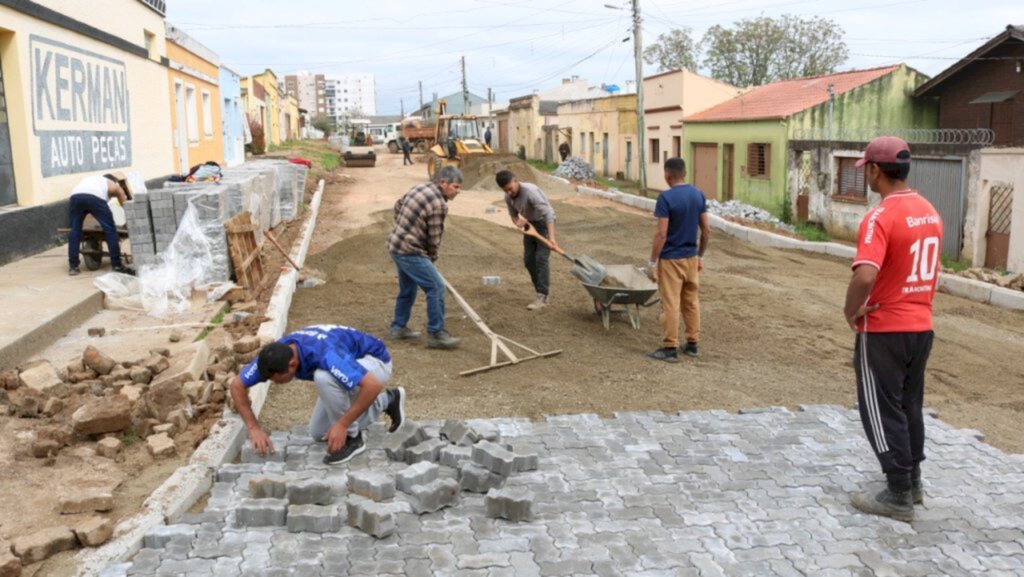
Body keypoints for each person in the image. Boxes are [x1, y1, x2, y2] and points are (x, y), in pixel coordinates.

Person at [844, 136, 942, 522]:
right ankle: (913, 481)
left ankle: (897, 492)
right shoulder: (929, 211)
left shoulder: (880, 216)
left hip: (885, 329)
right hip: (921, 326)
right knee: (909, 404)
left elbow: (865, 274)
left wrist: (850, 311)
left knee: (880, 409)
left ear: (874, 170)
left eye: (865, 168)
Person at [229, 324, 406, 465]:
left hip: (375, 362)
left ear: (292, 365)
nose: (274, 382)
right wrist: (254, 428)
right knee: (319, 432)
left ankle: (353, 438)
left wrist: (343, 424)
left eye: (276, 379)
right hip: (348, 364)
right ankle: (389, 401)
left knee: (323, 377)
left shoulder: (326, 354)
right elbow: (237, 385)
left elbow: (372, 385)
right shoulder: (276, 354)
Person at [387, 165, 463, 349]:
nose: (458, 192)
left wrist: (404, 228)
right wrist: (431, 258)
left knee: (408, 288)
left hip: (396, 245)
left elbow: (398, 206)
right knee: (436, 287)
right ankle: (436, 333)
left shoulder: (419, 187)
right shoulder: (439, 204)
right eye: (455, 187)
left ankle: (398, 328)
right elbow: (434, 238)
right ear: (443, 183)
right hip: (410, 251)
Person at [647, 157, 709, 363]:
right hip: (691, 257)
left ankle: (670, 347)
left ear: (668, 175)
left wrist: (653, 262)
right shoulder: (698, 195)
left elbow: (662, 234)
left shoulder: (666, 199)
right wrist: (700, 255)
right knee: (691, 301)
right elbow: (706, 229)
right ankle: (692, 344)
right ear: (685, 173)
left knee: (670, 304)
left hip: (671, 259)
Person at [496, 170, 557, 310]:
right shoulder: (507, 196)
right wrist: (518, 223)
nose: (509, 193)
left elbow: (549, 214)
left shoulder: (530, 192)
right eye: (506, 190)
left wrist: (552, 238)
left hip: (543, 224)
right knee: (529, 260)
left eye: (510, 189)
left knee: (541, 259)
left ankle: (543, 296)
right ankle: (540, 292)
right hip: (530, 226)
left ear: (516, 181)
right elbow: (514, 216)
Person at [67, 171, 136, 276]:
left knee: (75, 231)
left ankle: (73, 266)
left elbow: (86, 199)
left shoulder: (91, 179)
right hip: (94, 197)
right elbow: (121, 194)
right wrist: (129, 215)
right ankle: (117, 265)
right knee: (110, 230)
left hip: (75, 197)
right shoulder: (110, 182)